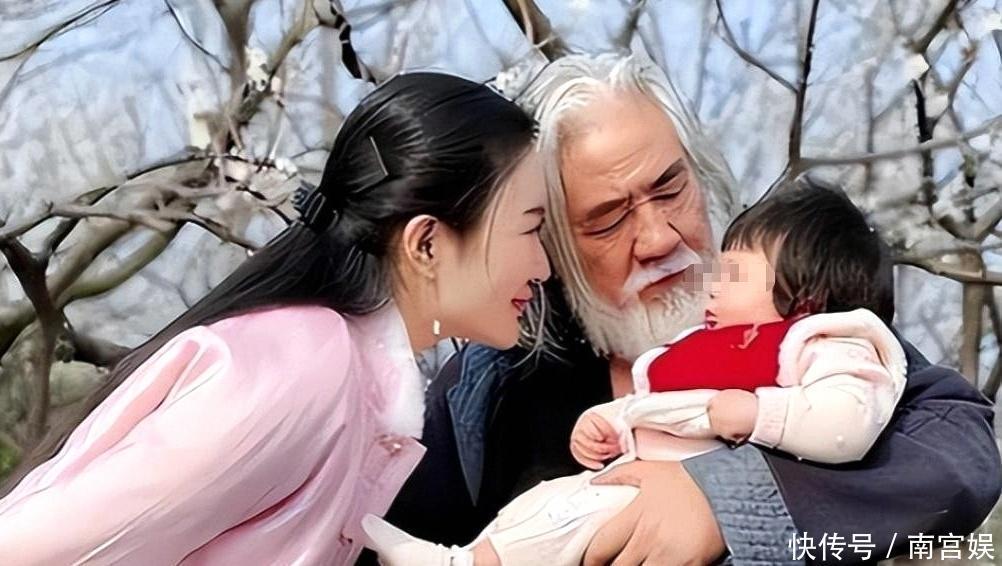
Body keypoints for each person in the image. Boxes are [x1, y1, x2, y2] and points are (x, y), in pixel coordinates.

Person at [379, 54, 1001, 565]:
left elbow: (955, 445)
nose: (658, 238)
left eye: (670, 188)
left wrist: (728, 502)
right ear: (553, 248)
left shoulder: (794, 319)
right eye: (608, 221)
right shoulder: (492, 387)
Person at [0, 72, 552, 565]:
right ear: (426, 242)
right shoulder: (305, 367)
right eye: (531, 228)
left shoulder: (350, 380)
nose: (544, 266)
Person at [363, 184, 909, 566]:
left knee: (566, 526)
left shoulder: (826, 344)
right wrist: (609, 421)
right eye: (606, 219)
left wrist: (757, 423)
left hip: (650, 503)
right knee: (542, 505)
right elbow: (659, 404)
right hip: (620, 475)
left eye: (734, 274)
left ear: (803, 298)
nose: (710, 282)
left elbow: (848, 422)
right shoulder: (696, 349)